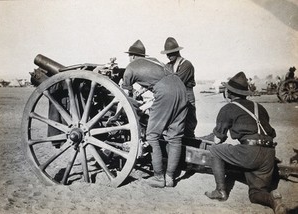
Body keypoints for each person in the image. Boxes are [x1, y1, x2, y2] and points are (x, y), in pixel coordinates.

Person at [205, 72, 287, 214]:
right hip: (268, 154)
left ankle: (220, 191)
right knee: (255, 194)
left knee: (215, 150)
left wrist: (203, 138)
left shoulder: (227, 109)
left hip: (250, 152)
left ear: (229, 93)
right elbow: (270, 133)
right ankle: (273, 200)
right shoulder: (259, 107)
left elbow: (218, 139)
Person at [121, 40, 188, 188]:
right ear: (142, 56)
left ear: (131, 56)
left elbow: (125, 99)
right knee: (175, 137)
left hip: (165, 92)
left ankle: (158, 177)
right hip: (180, 88)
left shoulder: (130, 68)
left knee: (152, 135)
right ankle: (170, 177)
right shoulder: (153, 61)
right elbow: (156, 79)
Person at [161, 37, 197, 138]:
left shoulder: (186, 65)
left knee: (188, 124)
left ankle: (190, 142)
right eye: (167, 54)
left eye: (171, 53)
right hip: (173, 96)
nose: (169, 56)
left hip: (187, 95)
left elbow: (177, 82)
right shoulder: (167, 66)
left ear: (177, 52)